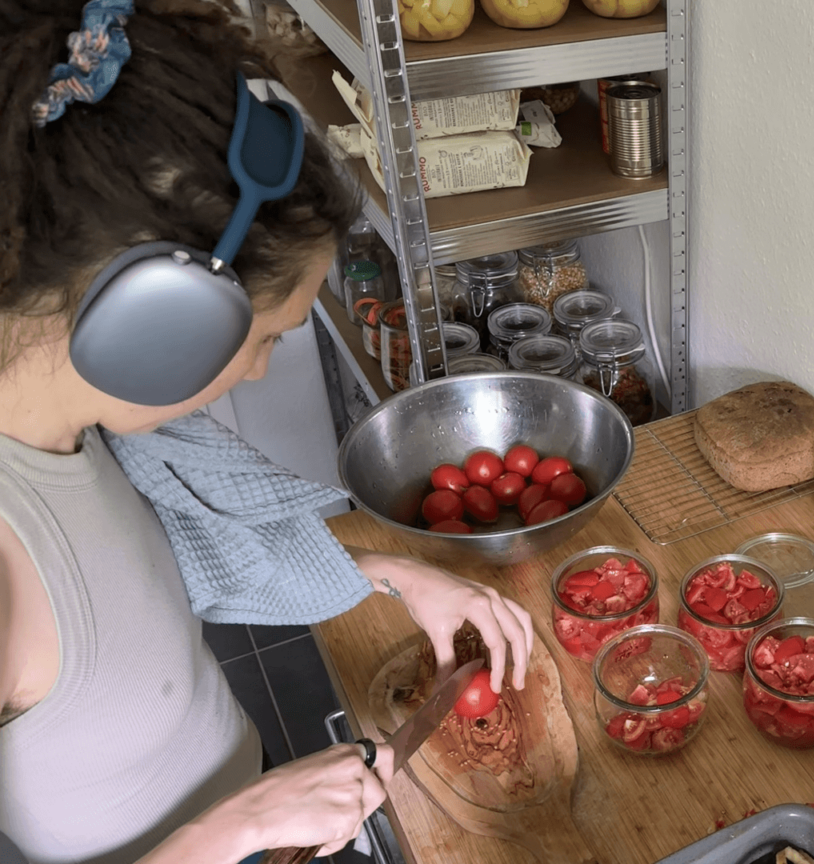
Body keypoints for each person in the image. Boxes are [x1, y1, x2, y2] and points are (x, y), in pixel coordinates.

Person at [0, 1, 535, 862]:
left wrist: (390, 577)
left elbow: (147, 583)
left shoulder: (81, 432)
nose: (255, 371)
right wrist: (231, 832)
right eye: (264, 339)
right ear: (153, 324)